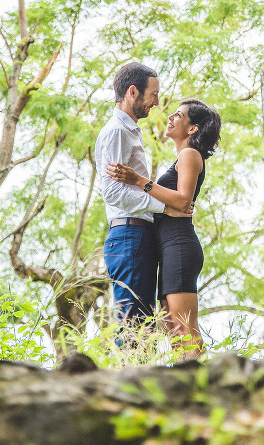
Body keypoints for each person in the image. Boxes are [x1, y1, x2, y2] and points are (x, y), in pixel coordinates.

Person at [108, 98, 221, 358]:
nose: (170, 117)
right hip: (169, 248)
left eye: (179, 115)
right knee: (172, 330)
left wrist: (139, 180)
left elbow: (183, 200)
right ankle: (184, 388)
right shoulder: (182, 157)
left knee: (185, 330)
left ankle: (202, 389)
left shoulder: (190, 154)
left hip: (179, 246)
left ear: (193, 129)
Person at [95, 62, 191, 333]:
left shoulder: (129, 131)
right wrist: (164, 207)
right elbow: (112, 192)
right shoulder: (117, 131)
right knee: (133, 328)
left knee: (144, 327)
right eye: (153, 94)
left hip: (136, 237)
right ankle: (129, 376)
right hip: (129, 237)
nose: (157, 102)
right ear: (133, 92)